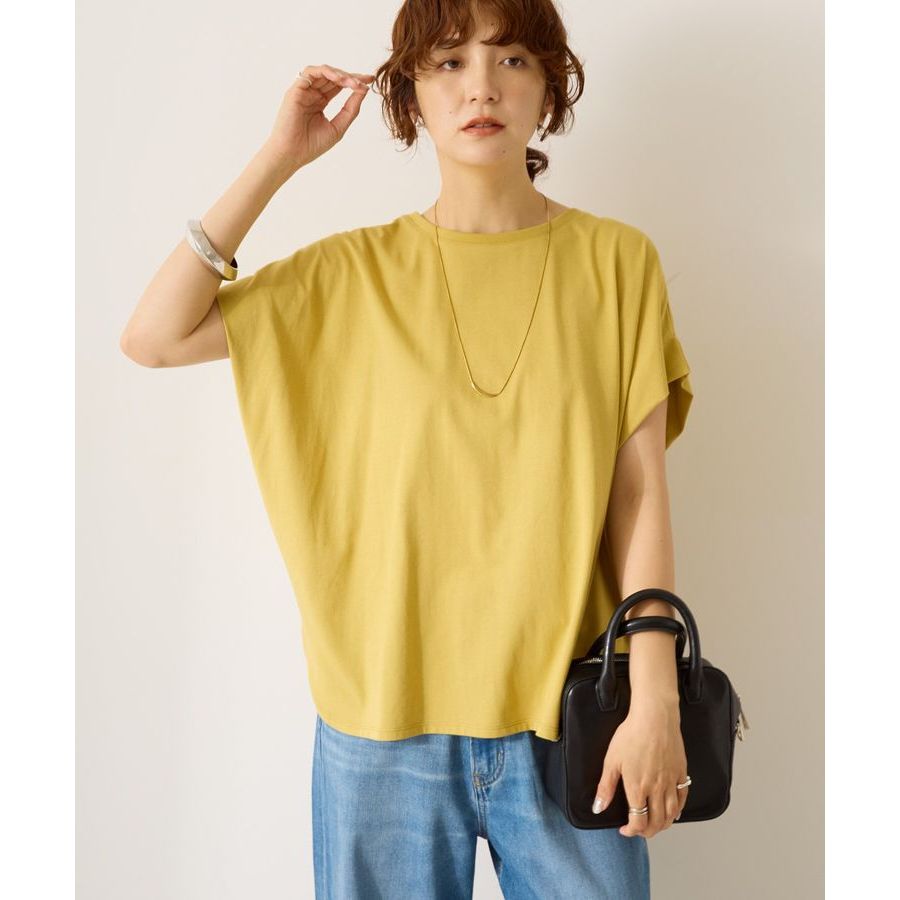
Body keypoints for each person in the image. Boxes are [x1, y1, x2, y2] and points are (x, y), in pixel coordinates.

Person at [120, 0, 695, 896]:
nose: (481, 87)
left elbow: (639, 493)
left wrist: (654, 691)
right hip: (381, 723)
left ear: (549, 86)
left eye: (511, 59)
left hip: (573, 712)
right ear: (408, 95)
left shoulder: (617, 263)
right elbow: (154, 336)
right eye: (449, 62)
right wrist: (278, 159)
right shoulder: (348, 275)